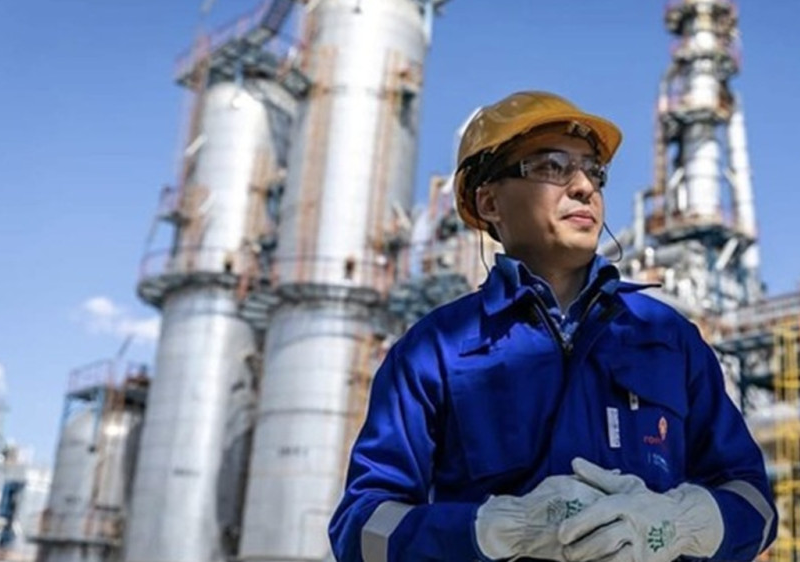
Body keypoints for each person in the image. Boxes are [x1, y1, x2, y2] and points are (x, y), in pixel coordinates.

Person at [329, 91, 776, 562]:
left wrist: (681, 525)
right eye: (552, 166)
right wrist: (492, 531)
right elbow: (361, 531)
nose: (584, 186)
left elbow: (755, 504)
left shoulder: (666, 337)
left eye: (593, 171)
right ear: (490, 202)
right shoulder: (435, 351)